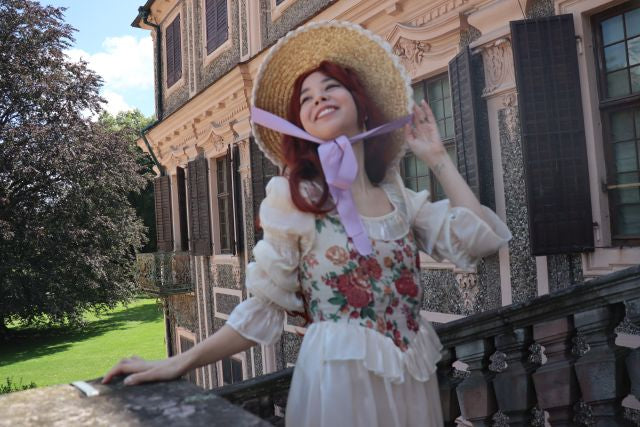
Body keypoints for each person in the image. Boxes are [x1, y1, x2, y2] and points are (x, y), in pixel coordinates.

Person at [103, 21, 512, 426]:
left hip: (410, 384)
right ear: (302, 126)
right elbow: (261, 311)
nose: (318, 98)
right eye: (306, 98)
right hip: (339, 385)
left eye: (330, 87)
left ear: (360, 102)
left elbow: (479, 238)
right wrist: (179, 362)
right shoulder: (295, 200)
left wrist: (438, 159)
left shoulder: (401, 201)